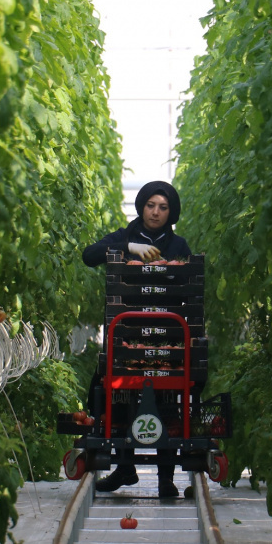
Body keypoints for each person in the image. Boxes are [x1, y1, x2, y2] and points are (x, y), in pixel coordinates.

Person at [83, 181, 192, 497]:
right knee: (116, 393)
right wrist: (128, 248)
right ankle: (126, 468)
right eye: (151, 205)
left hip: (166, 336)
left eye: (163, 207)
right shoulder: (123, 237)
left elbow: (185, 285)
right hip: (128, 335)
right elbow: (89, 255)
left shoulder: (178, 246)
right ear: (141, 206)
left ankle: (165, 478)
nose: (156, 212)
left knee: (166, 400)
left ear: (171, 212)